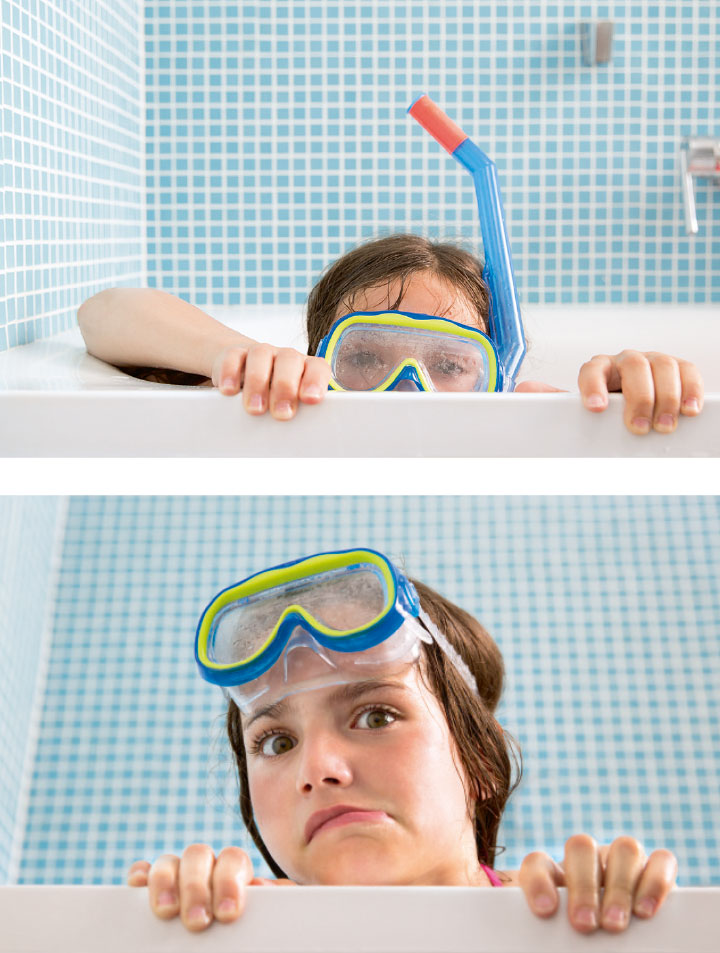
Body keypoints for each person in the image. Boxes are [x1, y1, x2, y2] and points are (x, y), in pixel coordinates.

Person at [127, 549, 678, 934]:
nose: (317, 768)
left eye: (375, 716)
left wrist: (627, 921)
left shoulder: (573, 913)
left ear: (481, 760)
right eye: (275, 743)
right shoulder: (239, 928)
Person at [77, 234, 704, 436]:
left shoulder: (524, 411)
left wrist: (630, 388)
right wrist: (236, 357)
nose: (410, 389)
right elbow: (104, 313)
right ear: (316, 360)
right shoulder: (290, 395)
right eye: (367, 356)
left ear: (499, 375)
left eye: (451, 364)